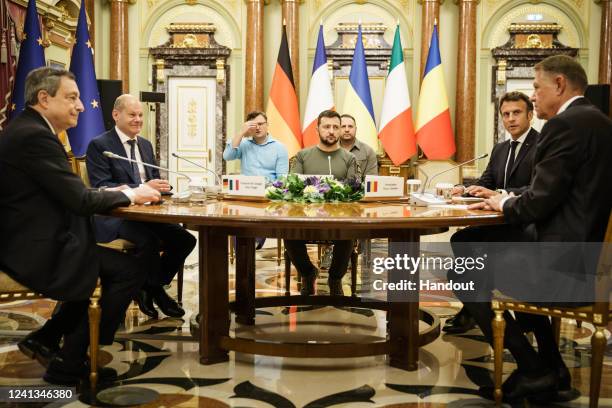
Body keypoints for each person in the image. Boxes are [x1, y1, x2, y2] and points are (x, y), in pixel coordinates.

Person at [457, 55, 612, 402]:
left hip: (562, 268)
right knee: (469, 240)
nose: (534, 96)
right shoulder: (599, 122)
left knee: (463, 269)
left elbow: (538, 203)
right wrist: (506, 198)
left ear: (559, 85)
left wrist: (504, 203)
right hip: (589, 261)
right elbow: (558, 191)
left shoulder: (565, 125)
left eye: (537, 88)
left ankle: (533, 368)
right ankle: (554, 368)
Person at [0, 67, 161, 385]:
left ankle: (48, 339)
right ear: (44, 99)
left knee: (108, 264)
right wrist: (131, 192)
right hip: (30, 248)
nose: (82, 106)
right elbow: (79, 201)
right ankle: (69, 362)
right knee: (129, 270)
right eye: (72, 97)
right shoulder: (35, 137)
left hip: (32, 237)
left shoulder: (31, 130)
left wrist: (113, 192)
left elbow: (69, 191)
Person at [86, 94, 196, 319]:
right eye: (132, 115)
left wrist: (162, 188)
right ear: (116, 115)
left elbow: (153, 178)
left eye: (140, 115)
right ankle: (157, 291)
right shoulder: (100, 145)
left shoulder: (145, 145)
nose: (138, 119)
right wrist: (142, 186)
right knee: (149, 241)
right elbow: (102, 187)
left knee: (186, 239)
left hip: (148, 214)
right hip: (116, 216)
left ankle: (148, 286)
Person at [445, 91, 539, 334]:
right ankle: (474, 305)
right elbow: (485, 180)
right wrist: (464, 189)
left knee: (470, 251)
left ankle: (475, 307)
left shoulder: (541, 145)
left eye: (516, 113)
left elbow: (534, 189)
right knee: (461, 239)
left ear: (530, 114)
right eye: (505, 114)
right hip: (499, 222)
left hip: (524, 224)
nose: (510, 119)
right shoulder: (500, 148)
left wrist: (498, 192)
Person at [286, 110, 358, 296]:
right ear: (317, 129)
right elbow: (294, 187)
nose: (332, 131)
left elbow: (352, 190)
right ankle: (308, 274)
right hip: (305, 218)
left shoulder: (349, 158)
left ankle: (335, 278)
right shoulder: (303, 156)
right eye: (327, 127)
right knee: (288, 233)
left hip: (340, 220)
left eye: (336, 127)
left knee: (349, 234)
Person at [223, 110, 289, 249]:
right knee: (237, 216)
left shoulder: (279, 147)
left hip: (268, 196)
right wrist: (241, 133)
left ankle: (250, 244)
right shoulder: (244, 144)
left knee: (256, 219)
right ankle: (244, 246)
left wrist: (269, 190)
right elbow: (227, 156)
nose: (258, 128)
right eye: (253, 125)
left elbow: (283, 179)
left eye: (261, 124)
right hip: (246, 195)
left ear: (267, 125)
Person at [340, 113, 378, 178]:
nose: (347, 130)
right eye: (343, 126)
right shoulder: (331, 150)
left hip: (360, 188)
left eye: (350, 126)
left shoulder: (368, 151)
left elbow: (371, 180)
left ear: (356, 129)